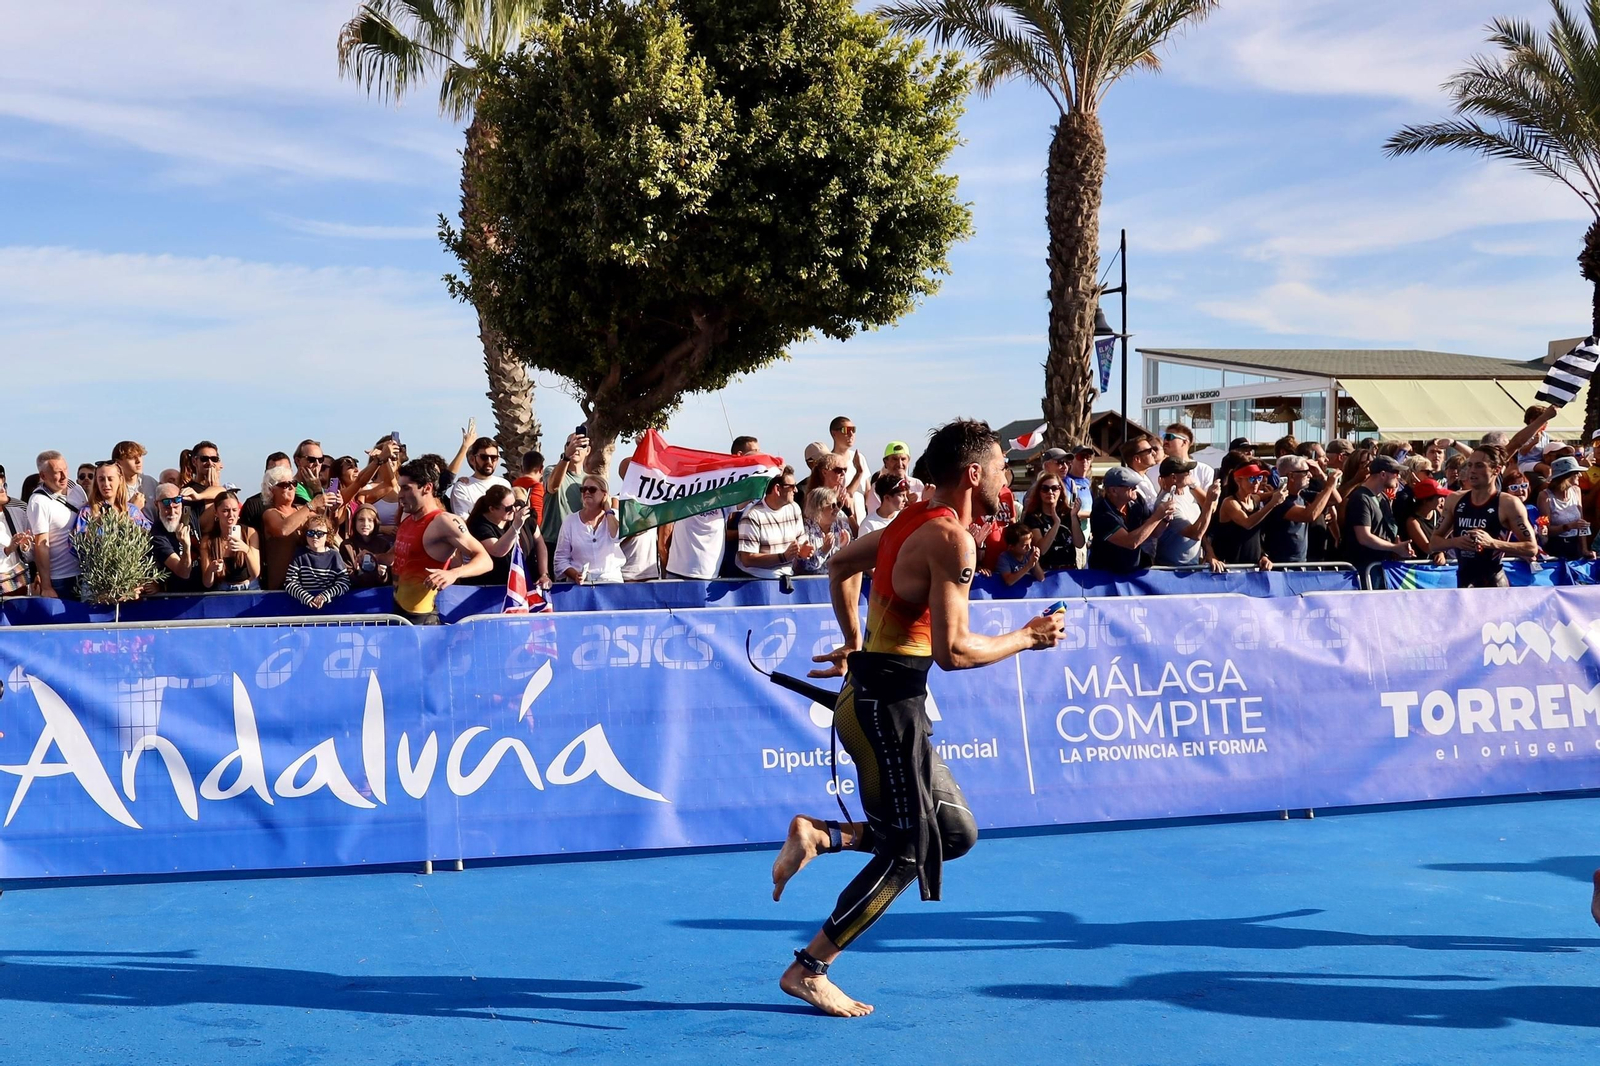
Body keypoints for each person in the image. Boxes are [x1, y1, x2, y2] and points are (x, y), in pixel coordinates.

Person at [770, 418, 1064, 1017]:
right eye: (1006, 468)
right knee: (910, 848)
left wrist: (855, 639)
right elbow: (952, 653)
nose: (1011, 479)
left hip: (874, 699)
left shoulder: (908, 519)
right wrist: (1028, 639)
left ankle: (820, 835)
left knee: (953, 833)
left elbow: (838, 568)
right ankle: (810, 968)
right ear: (974, 474)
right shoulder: (953, 539)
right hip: (888, 712)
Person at [385, 459, 493, 622]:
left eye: (406, 488)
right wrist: (372, 558)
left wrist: (453, 573)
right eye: (400, 488)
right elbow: (394, 557)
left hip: (422, 618)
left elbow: (485, 560)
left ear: (427, 488)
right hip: (397, 613)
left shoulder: (444, 522)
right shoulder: (408, 521)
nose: (400, 494)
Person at [1428, 445, 1537, 587]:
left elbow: (1531, 548)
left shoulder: (1508, 503)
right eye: (1470, 465)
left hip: (1493, 582)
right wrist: (1456, 542)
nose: (1472, 471)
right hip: (1464, 581)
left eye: (1479, 466)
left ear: (1496, 470)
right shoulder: (1454, 499)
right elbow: (1434, 543)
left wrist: (1492, 543)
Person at [1343, 455, 1416, 588]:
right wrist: (1394, 547)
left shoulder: (1382, 497)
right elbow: (1364, 537)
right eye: (1395, 473)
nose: (1399, 477)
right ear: (1383, 474)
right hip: (1365, 570)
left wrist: (1397, 545)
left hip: (1382, 568)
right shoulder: (1360, 498)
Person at [29, 451, 90, 600]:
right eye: (57, 472)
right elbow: (41, 544)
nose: (64, 476)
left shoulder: (76, 489)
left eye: (65, 469)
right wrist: (47, 586)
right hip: (61, 578)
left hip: (85, 573)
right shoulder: (38, 501)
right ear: (43, 476)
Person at [1259, 455, 1341, 565]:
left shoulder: (1302, 494)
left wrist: (1322, 476)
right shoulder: (1279, 500)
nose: (1310, 475)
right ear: (1291, 476)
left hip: (1300, 562)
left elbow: (1335, 499)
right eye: (1305, 472)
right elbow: (1309, 515)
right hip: (1282, 564)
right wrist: (1329, 485)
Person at [1089, 466, 1170, 574]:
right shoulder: (1101, 512)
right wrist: (1156, 517)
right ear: (1113, 491)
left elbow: (1153, 532)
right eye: (1131, 486)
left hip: (1132, 571)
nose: (1135, 488)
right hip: (1105, 576)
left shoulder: (1138, 501)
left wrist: (1165, 519)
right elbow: (1130, 542)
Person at [1206, 455, 1282, 569]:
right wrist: (1272, 503)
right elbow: (1247, 523)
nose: (1256, 482)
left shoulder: (1254, 499)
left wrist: (1263, 555)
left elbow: (1267, 495)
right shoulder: (1230, 502)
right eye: (1252, 478)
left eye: (1259, 478)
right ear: (1238, 480)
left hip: (1253, 565)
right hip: (1230, 566)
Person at [553, 473, 625, 584]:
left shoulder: (614, 516)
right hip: (580, 584)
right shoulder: (570, 521)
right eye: (583, 489)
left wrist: (608, 509)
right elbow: (560, 559)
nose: (587, 492)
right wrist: (575, 575)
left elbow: (617, 536)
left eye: (592, 489)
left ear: (604, 494)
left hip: (611, 582)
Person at [737, 468, 805, 579]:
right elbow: (747, 559)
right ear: (777, 489)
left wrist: (803, 550)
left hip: (787, 579)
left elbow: (800, 541)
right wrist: (782, 557)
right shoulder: (752, 515)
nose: (796, 490)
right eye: (792, 486)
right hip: (758, 582)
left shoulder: (794, 508)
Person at [1153, 457, 1220, 568]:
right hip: (1172, 569)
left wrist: (1209, 552)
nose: (1190, 473)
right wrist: (1209, 502)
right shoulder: (1166, 503)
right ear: (1174, 477)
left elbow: (1199, 524)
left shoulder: (1188, 492)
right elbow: (1195, 533)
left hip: (1191, 565)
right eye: (1186, 472)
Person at [260, 466, 319, 591]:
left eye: (293, 483)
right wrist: (312, 505)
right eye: (285, 484)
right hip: (281, 587)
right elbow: (283, 530)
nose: (291, 487)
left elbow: (326, 527)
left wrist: (334, 509)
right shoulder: (270, 513)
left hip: (308, 585)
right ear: (271, 489)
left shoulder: (302, 510)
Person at [464, 485, 532, 586]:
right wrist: (515, 527)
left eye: (514, 504)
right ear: (492, 509)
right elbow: (497, 551)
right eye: (508, 508)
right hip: (487, 586)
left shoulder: (511, 517)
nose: (513, 510)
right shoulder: (478, 524)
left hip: (512, 582)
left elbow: (540, 544)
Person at [198, 491, 262, 591]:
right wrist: (211, 569)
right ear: (216, 513)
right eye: (225, 510)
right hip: (223, 589)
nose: (231, 515)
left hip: (249, 586)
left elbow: (255, 573)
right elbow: (207, 583)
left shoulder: (249, 533)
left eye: (234, 510)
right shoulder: (208, 540)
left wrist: (246, 550)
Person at [283, 515, 350, 609]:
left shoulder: (334, 556)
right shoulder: (299, 554)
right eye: (310, 532)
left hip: (331, 608)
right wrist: (307, 598)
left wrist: (325, 596)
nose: (315, 536)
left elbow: (344, 583)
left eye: (320, 533)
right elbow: (290, 582)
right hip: (304, 608)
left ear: (328, 535)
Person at [1019, 473, 1081, 571]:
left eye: (1055, 488)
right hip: (1046, 571)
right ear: (1039, 492)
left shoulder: (1068, 513)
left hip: (1069, 570)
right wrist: (1056, 524)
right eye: (1045, 489)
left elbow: (1079, 543)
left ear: (1060, 491)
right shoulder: (1033, 517)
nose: (1050, 492)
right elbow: (1041, 549)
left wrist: (1073, 517)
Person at [540, 430, 589, 555]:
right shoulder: (551, 470)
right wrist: (566, 457)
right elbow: (553, 486)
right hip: (552, 542)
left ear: (588, 450)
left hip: (580, 545)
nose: (576, 448)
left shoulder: (589, 481)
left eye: (581, 445)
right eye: (571, 444)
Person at [1539, 455, 1592, 560]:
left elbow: (1581, 525)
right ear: (1566, 477)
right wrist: (1569, 526)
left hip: (1575, 546)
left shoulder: (1577, 490)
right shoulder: (1545, 496)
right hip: (1555, 548)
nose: (1580, 475)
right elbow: (1546, 529)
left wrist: (1584, 550)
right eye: (1576, 473)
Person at [149, 483, 199, 592]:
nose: (172, 512)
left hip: (202, 592)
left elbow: (222, 494)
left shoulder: (189, 514)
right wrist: (186, 546)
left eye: (176, 506)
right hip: (177, 597)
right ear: (156, 504)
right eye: (166, 507)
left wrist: (199, 496)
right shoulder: (157, 534)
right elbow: (183, 573)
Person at [448, 437, 511, 515]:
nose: (489, 462)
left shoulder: (504, 483)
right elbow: (464, 520)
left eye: (494, 458)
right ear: (472, 459)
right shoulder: (462, 487)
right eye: (484, 457)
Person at [796, 487, 851, 575]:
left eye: (839, 504)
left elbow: (850, 562)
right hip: (813, 584)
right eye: (833, 505)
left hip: (836, 581)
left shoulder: (842, 526)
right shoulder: (805, 530)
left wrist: (845, 548)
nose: (837, 509)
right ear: (819, 507)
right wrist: (823, 551)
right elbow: (806, 566)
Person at [1399, 476, 1451, 563]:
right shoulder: (1413, 522)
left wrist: (1441, 552)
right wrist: (1450, 529)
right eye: (1439, 496)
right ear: (1425, 500)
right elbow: (1428, 548)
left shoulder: (1438, 513)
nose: (1443, 500)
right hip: (1417, 569)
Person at [342, 504, 395, 589]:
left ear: (376, 523)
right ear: (354, 522)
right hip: (355, 593)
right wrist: (359, 573)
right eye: (361, 520)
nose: (365, 524)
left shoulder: (384, 544)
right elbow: (346, 578)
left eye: (370, 520)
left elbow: (389, 580)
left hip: (378, 593)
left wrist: (383, 575)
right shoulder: (347, 546)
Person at [183, 440, 231, 532]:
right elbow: (203, 528)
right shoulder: (189, 491)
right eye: (204, 459)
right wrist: (212, 497)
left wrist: (213, 489)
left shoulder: (220, 488)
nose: (210, 463)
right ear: (194, 461)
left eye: (214, 459)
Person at [827, 416, 870, 517]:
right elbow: (842, 496)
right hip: (841, 520)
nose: (851, 434)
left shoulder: (859, 458)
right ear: (834, 433)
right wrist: (859, 472)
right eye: (846, 430)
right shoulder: (828, 461)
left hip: (861, 519)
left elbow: (868, 492)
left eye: (853, 430)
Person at [241, 453, 292, 536]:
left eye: (285, 470)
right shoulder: (253, 504)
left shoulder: (298, 500)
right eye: (274, 471)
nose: (281, 475)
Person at [865, 443, 924, 512]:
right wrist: (906, 504)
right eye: (895, 459)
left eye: (903, 459)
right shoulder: (878, 487)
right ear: (885, 462)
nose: (899, 464)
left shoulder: (917, 484)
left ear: (908, 461)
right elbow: (876, 517)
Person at [1158, 424, 1215, 492]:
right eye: (1164, 437)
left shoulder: (1204, 470)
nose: (1165, 441)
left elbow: (1210, 501)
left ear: (1184, 442)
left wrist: (1193, 484)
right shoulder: (1152, 472)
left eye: (1169, 437)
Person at [113, 440, 158, 520]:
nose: (138, 461)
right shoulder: (113, 487)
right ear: (118, 463)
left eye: (140, 456)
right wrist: (133, 509)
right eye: (132, 457)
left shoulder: (150, 482)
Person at [1119, 435, 1161, 506]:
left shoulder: (1144, 477)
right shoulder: (1130, 485)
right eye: (1149, 451)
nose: (1154, 453)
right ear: (1137, 459)